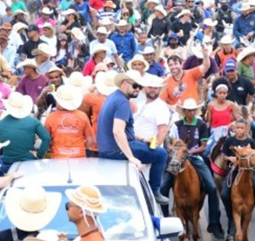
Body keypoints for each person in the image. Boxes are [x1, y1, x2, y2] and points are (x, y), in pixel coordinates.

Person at [97, 71, 169, 204]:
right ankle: (155, 192)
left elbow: (121, 129)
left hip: (106, 149)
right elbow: (118, 131)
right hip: (116, 149)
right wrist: (131, 157)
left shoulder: (113, 97)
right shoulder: (123, 102)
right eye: (135, 85)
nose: (137, 89)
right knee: (161, 154)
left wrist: (141, 139)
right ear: (124, 83)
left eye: (140, 87)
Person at [160, 98, 224, 240]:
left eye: (193, 110)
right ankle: (165, 220)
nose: (190, 112)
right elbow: (171, 144)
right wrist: (177, 151)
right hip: (178, 158)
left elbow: (203, 146)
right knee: (164, 188)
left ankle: (214, 223)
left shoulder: (201, 124)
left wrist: (190, 152)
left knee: (212, 188)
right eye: (188, 110)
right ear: (183, 112)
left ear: (196, 111)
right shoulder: (177, 125)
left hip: (195, 157)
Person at [220, 118, 255, 237]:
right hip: (234, 172)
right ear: (234, 128)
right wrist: (229, 158)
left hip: (248, 173)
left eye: (242, 128)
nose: (239, 130)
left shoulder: (250, 141)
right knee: (224, 194)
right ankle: (231, 219)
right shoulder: (229, 140)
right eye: (237, 128)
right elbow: (223, 155)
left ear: (246, 129)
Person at [0, 92, 51, 169]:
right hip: (28, 161)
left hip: (7, 162)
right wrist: (39, 155)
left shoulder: (0, 124)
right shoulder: (33, 122)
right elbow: (46, 138)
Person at [44, 85, 93, 159]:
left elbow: (46, 140)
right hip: (79, 157)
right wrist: (81, 148)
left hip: (58, 157)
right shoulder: (82, 116)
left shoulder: (50, 117)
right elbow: (91, 140)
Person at [133, 74, 170, 148]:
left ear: (159, 89)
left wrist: (155, 149)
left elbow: (162, 131)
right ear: (145, 88)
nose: (152, 90)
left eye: (155, 88)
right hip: (135, 144)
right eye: (150, 87)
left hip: (148, 147)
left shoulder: (161, 107)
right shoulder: (140, 104)